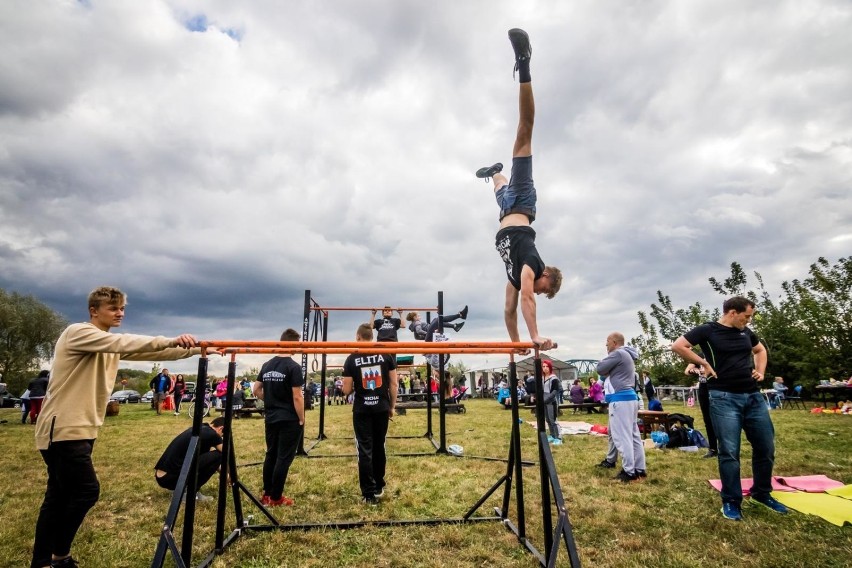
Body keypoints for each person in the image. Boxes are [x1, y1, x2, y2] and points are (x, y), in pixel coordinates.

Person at [32, 286, 205, 568]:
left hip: (82, 429)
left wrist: (201, 349)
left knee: (58, 496)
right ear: (93, 311)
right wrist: (171, 338)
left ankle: (46, 561)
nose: (120, 313)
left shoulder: (106, 344)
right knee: (85, 491)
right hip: (62, 428)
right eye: (113, 309)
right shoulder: (78, 332)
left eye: (122, 309)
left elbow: (154, 352)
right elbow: (128, 343)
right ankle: (57, 556)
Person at [475, 28, 562, 351]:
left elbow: (509, 310)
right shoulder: (533, 266)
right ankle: (524, 63)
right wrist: (535, 336)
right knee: (524, 133)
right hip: (523, 204)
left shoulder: (514, 277)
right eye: (544, 289)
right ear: (546, 276)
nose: (538, 291)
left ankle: (496, 173)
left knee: (499, 186)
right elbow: (527, 298)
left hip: (506, 210)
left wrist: (516, 344)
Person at [672, 296, 788, 521]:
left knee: (765, 447)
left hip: (753, 396)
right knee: (729, 451)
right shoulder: (708, 330)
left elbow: (760, 351)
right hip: (724, 397)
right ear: (732, 312)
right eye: (746, 316)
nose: (748, 321)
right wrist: (704, 364)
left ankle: (762, 493)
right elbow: (679, 345)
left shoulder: (746, 333)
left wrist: (761, 372)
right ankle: (731, 501)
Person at [342, 323, 398, 505]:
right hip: (381, 407)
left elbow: (346, 389)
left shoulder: (352, 358)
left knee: (364, 449)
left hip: (362, 409)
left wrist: (350, 386)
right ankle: (379, 485)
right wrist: (392, 406)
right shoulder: (386, 354)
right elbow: (394, 384)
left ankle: (368, 493)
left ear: (358, 337)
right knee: (379, 445)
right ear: (372, 337)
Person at [252, 328, 305, 507]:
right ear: (291, 343)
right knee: (283, 458)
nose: (298, 349)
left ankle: (267, 494)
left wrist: (271, 399)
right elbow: (297, 396)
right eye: (297, 345)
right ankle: (276, 498)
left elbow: (256, 389)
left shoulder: (267, 365)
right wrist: (302, 418)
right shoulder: (293, 367)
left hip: (272, 416)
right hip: (289, 418)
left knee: (271, 455)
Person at [596, 333, 645, 482]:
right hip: (630, 398)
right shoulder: (627, 354)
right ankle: (639, 468)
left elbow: (600, 369)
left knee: (622, 437)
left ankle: (629, 471)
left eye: (607, 342)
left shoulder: (617, 353)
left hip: (620, 400)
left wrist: (607, 370)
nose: (606, 345)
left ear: (615, 342)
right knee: (633, 434)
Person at [154, 416, 225, 501]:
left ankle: (182, 490)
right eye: (222, 435)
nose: (221, 438)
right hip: (172, 478)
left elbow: (208, 461)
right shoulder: (212, 434)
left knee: (213, 457)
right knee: (219, 455)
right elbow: (226, 452)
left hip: (163, 477)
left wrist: (224, 474)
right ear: (221, 428)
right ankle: (190, 493)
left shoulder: (200, 428)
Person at [686, 361, 718, 459]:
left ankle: (727, 447)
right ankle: (713, 448)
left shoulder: (716, 352)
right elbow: (687, 371)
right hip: (703, 390)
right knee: (708, 420)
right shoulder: (698, 356)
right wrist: (694, 370)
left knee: (722, 419)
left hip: (717, 389)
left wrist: (707, 371)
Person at [540, 360, 562, 445]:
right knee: (548, 420)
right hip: (544, 402)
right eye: (543, 366)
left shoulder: (554, 378)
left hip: (551, 402)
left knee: (553, 420)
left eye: (547, 366)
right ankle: (552, 436)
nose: (545, 368)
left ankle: (558, 438)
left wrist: (545, 400)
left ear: (550, 367)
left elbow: (555, 391)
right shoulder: (542, 378)